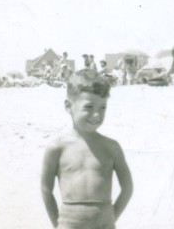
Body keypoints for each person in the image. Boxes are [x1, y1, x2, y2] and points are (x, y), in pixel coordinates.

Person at [41, 69, 133, 229]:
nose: (97, 114)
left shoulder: (111, 147)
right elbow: (46, 189)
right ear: (68, 106)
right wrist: (57, 224)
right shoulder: (57, 148)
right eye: (88, 107)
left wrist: (111, 217)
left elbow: (127, 188)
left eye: (103, 107)